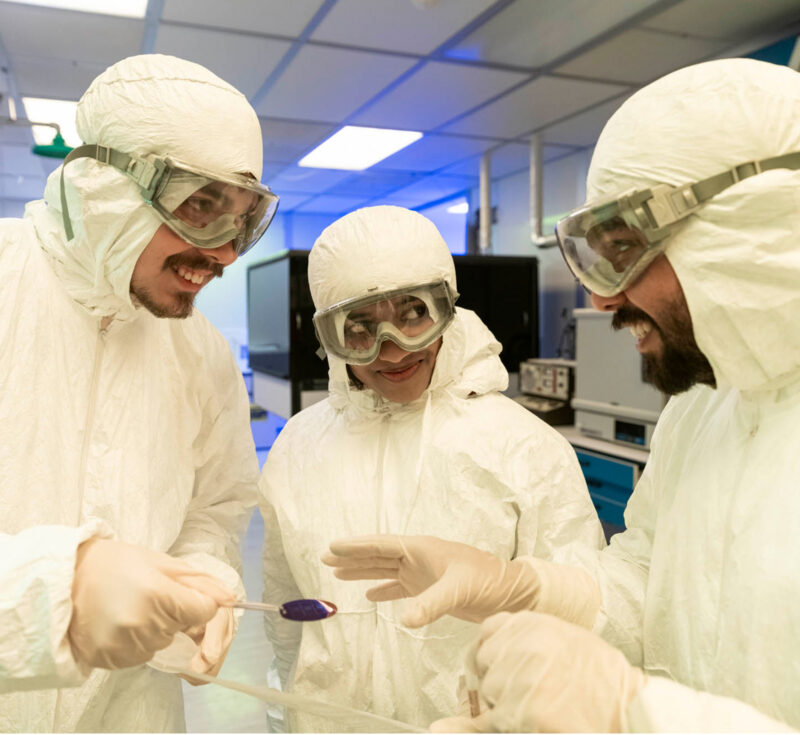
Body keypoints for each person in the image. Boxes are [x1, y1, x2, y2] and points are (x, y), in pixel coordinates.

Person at [325, 58, 800, 731]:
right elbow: (644, 584)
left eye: (627, 248)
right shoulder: (703, 406)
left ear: (749, 230)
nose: (603, 296)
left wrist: (630, 712)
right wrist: (520, 585)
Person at [0, 54, 278, 732]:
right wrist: (48, 593)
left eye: (242, 220)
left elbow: (215, 505)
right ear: (102, 186)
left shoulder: (202, 355)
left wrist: (200, 577)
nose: (224, 253)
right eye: (200, 206)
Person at [258, 205, 605, 731]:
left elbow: (582, 612)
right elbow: (286, 609)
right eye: (359, 327)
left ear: (447, 309)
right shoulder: (299, 447)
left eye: (413, 314)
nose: (392, 348)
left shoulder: (522, 446)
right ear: (330, 338)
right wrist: (291, 714)